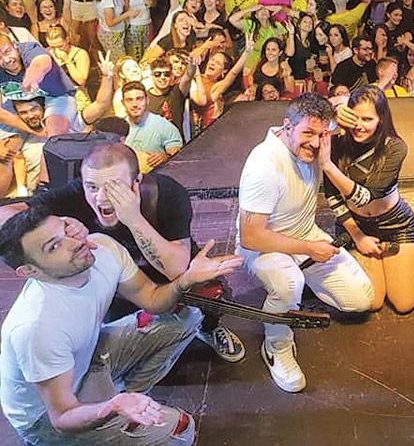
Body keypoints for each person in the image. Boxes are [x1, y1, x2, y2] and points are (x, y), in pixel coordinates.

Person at [0, 205, 242, 445]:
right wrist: (111, 407)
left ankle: (130, 400)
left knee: (187, 315)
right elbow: (62, 416)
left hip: (87, 358)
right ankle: (113, 413)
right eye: (54, 246)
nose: (74, 242)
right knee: (181, 431)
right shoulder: (37, 328)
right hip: (46, 416)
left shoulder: (102, 248)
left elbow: (151, 297)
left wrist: (186, 279)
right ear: (29, 271)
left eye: (65, 228)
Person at [29, 141, 246, 363]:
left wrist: (133, 218)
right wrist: (57, 226)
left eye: (115, 187)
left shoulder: (166, 194)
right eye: (92, 187)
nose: (102, 198)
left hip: (169, 273)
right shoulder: (74, 195)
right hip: (122, 286)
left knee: (210, 296)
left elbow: (176, 269)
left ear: (136, 183)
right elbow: (9, 216)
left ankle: (209, 328)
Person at [237, 94, 373, 393]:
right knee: (288, 284)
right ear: (287, 127)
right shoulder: (264, 165)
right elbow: (250, 236)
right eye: (308, 134)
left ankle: (300, 284)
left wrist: (341, 108)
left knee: (361, 300)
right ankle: (276, 345)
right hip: (265, 245)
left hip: (305, 232)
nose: (315, 142)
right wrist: (311, 249)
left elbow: (341, 111)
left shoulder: (317, 134)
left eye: (322, 134)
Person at [321, 86, 414, 313]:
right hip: (353, 224)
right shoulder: (338, 142)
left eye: (367, 119)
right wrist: (357, 236)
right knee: (372, 302)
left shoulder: (395, 147)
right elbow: (333, 196)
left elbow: (365, 196)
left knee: (404, 304)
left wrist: (327, 166)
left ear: (380, 120)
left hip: (395, 223)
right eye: (354, 117)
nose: (359, 125)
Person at [0, 33, 77, 137]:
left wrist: (33, 75)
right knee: (8, 146)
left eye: (8, 52)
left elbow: (42, 61)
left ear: (15, 45)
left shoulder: (29, 48)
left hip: (54, 97)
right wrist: (31, 131)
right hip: (18, 102)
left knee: (54, 135)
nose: (6, 60)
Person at [121, 82, 183, 173]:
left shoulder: (164, 126)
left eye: (139, 99)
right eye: (129, 100)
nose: (134, 104)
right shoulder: (118, 128)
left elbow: (179, 160)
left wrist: (166, 157)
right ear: (123, 103)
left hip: (156, 181)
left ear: (147, 100)